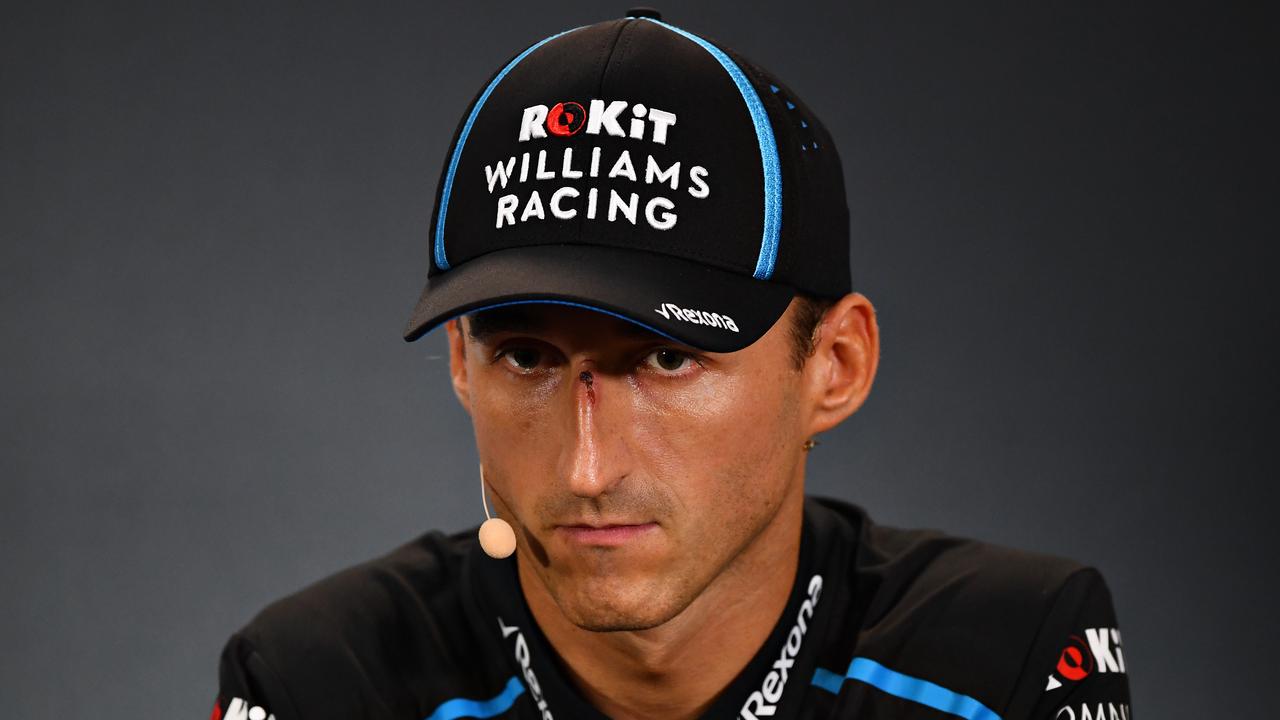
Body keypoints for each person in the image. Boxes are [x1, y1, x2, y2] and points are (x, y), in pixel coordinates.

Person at [213, 9, 1131, 720]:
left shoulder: (1006, 660)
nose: (587, 468)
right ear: (461, 362)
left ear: (835, 366)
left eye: (666, 356)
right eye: (527, 356)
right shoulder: (316, 683)